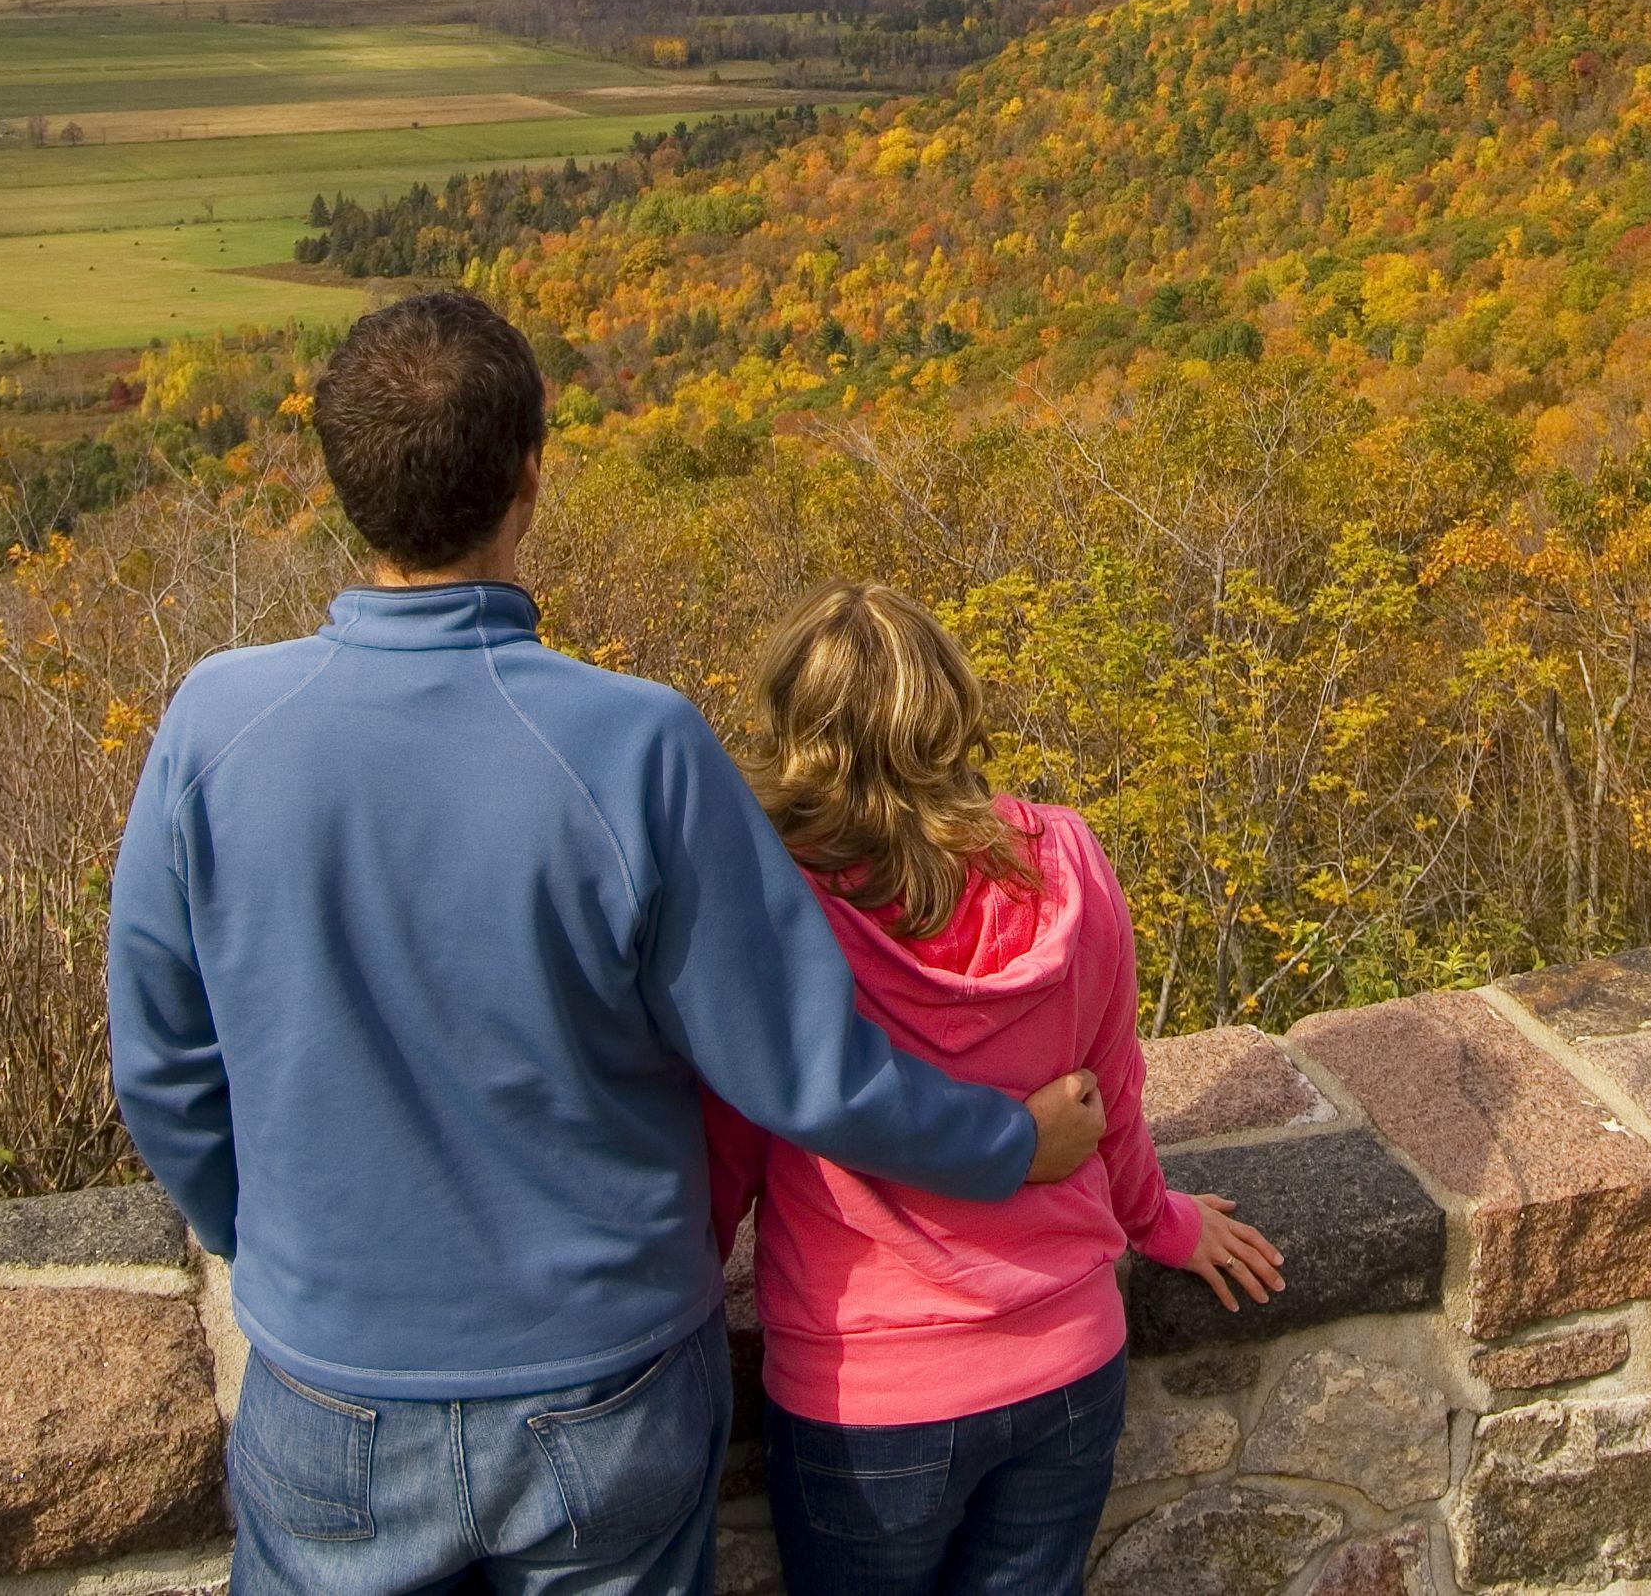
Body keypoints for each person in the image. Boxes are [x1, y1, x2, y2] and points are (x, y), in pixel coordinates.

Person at [107, 290, 1112, 1596]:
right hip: (605, 1382)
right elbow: (802, 1071)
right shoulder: (635, 746)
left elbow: (163, 1066)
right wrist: (1011, 1143)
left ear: (339, 479)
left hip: (334, 1382)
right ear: (534, 472)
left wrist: (266, 1236)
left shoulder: (214, 728)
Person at [707, 584, 1285, 1596]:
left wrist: (674, 1306)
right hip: (1066, 1358)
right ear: (951, 714)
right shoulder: (1066, 860)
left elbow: (731, 1146)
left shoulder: (776, 907)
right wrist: (1164, 1226)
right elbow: (1111, 1093)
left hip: (865, 1395)